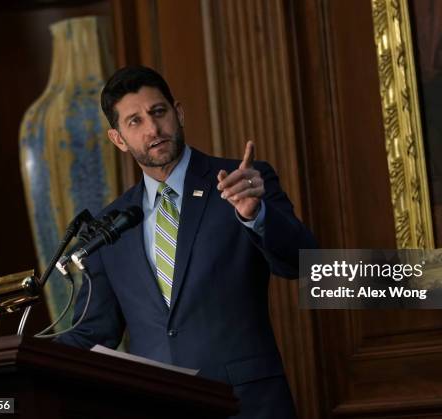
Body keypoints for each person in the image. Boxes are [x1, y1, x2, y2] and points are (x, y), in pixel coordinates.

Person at [56, 65, 317, 419]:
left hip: (246, 405)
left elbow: (305, 264)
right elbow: (94, 330)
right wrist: (20, 361)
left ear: (178, 113)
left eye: (158, 112)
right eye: (134, 121)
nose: (152, 129)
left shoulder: (241, 182)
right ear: (118, 139)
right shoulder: (111, 224)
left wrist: (255, 216)